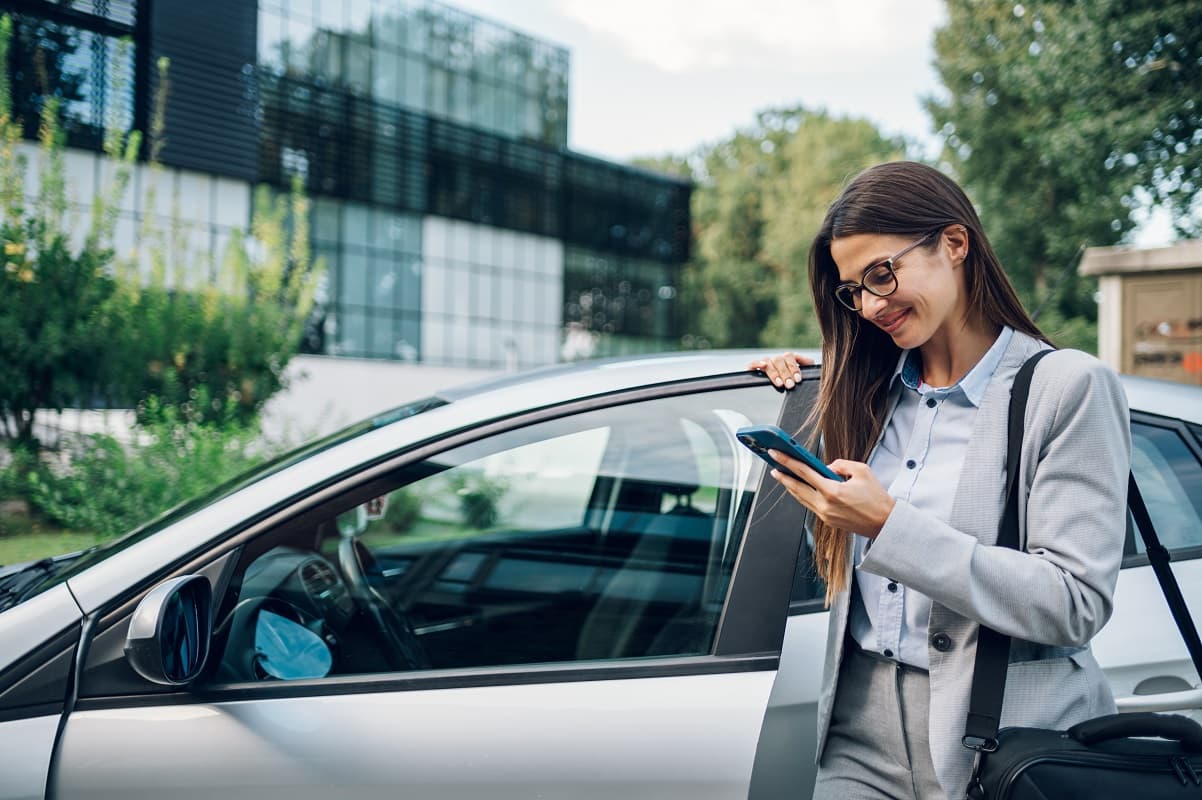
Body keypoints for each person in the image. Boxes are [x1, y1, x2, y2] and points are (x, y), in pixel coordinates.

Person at [748, 161, 1131, 799]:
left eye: (881, 274)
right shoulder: (863, 390)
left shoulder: (1066, 388)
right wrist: (786, 379)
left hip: (1011, 744)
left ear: (954, 244)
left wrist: (888, 525)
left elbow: (1075, 602)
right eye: (854, 290)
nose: (870, 306)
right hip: (858, 732)